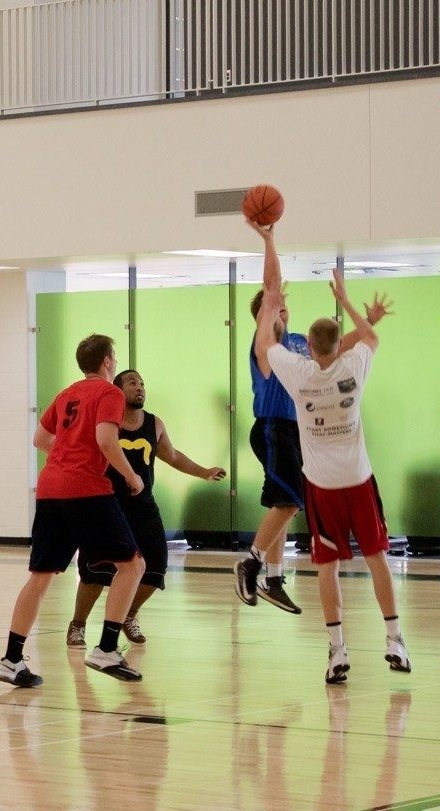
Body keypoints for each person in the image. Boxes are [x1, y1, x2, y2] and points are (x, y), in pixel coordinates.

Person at [255, 269, 408, 684]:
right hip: (358, 480)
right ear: (339, 345)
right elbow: (368, 340)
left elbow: (266, 345)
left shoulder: (299, 372)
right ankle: (394, 639)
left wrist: (270, 303)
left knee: (328, 567)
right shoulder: (353, 367)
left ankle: (337, 651)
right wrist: (349, 303)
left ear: (310, 346)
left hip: (322, 487)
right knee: (376, 558)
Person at [235, 221, 387, 614]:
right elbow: (271, 291)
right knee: (293, 498)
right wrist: (269, 241)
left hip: (294, 431)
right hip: (271, 428)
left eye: (285, 305)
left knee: (286, 503)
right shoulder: (268, 344)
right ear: (264, 319)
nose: (282, 307)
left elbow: (340, 345)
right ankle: (251, 562)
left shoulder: (301, 341)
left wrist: (370, 323)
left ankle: (272, 577)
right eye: (275, 307)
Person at [0, 334, 147, 688]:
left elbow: (41, 440)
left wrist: (67, 455)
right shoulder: (109, 393)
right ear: (108, 361)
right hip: (86, 489)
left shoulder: (67, 394)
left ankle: (11, 659)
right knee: (133, 565)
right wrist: (131, 475)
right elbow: (107, 440)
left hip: (51, 489)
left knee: (41, 575)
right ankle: (107, 648)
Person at [66, 369, 226, 648]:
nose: (139, 387)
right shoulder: (106, 422)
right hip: (106, 506)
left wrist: (204, 472)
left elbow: (173, 457)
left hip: (143, 507)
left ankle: (128, 614)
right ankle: (78, 624)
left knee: (156, 568)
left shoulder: (154, 424)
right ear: (117, 390)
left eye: (142, 383)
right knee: (96, 571)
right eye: (132, 382)